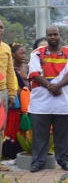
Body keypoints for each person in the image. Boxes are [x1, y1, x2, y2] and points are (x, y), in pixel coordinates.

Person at [28, 25, 68, 173]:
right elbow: (34, 74)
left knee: (63, 135)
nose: (52, 37)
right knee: (39, 135)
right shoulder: (36, 54)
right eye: (50, 35)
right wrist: (52, 87)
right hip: (41, 103)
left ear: (59, 35)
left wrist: (58, 86)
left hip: (64, 103)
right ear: (46, 35)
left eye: (55, 34)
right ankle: (38, 162)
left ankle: (63, 160)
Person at [2, 44, 29, 159]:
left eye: (25, 53)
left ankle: (25, 151)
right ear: (13, 55)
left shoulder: (27, 68)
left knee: (25, 127)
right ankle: (10, 153)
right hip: (14, 103)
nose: (23, 56)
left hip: (26, 103)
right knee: (12, 127)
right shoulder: (10, 69)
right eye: (21, 53)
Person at [0, 20, 17, 171]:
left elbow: (10, 72)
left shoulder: (6, 48)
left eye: (1, 27)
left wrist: (12, 94)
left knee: (0, 128)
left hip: (2, 93)